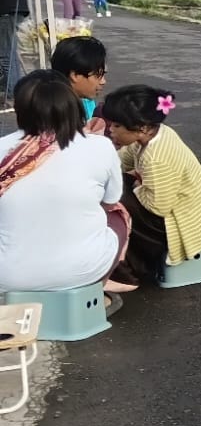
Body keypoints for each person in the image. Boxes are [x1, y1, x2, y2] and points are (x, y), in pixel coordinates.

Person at [49, 35, 201, 235]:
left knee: (156, 180)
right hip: (81, 181)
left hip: (84, 176)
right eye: (98, 75)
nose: (103, 81)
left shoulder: (58, 97)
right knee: (145, 184)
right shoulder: (62, 109)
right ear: (75, 75)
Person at [0, 70, 135, 295]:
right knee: (118, 214)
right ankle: (96, 290)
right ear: (72, 105)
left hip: (8, 278)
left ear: (21, 109)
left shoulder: (3, 147)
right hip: (84, 271)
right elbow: (110, 202)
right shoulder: (99, 146)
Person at [98, 85, 201, 285]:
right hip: (173, 207)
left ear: (143, 128)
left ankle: (130, 271)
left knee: (113, 199)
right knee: (115, 186)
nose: (110, 130)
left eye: (117, 126)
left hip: (179, 221)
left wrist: (135, 186)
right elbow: (124, 160)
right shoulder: (153, 135)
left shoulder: (156, 157)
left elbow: (159, 206)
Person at [1, 0, 30, 105]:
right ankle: (14, 89)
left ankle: (13, 91)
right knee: (11, 51)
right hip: (18, 5)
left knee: (7, 53)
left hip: (5, 7)